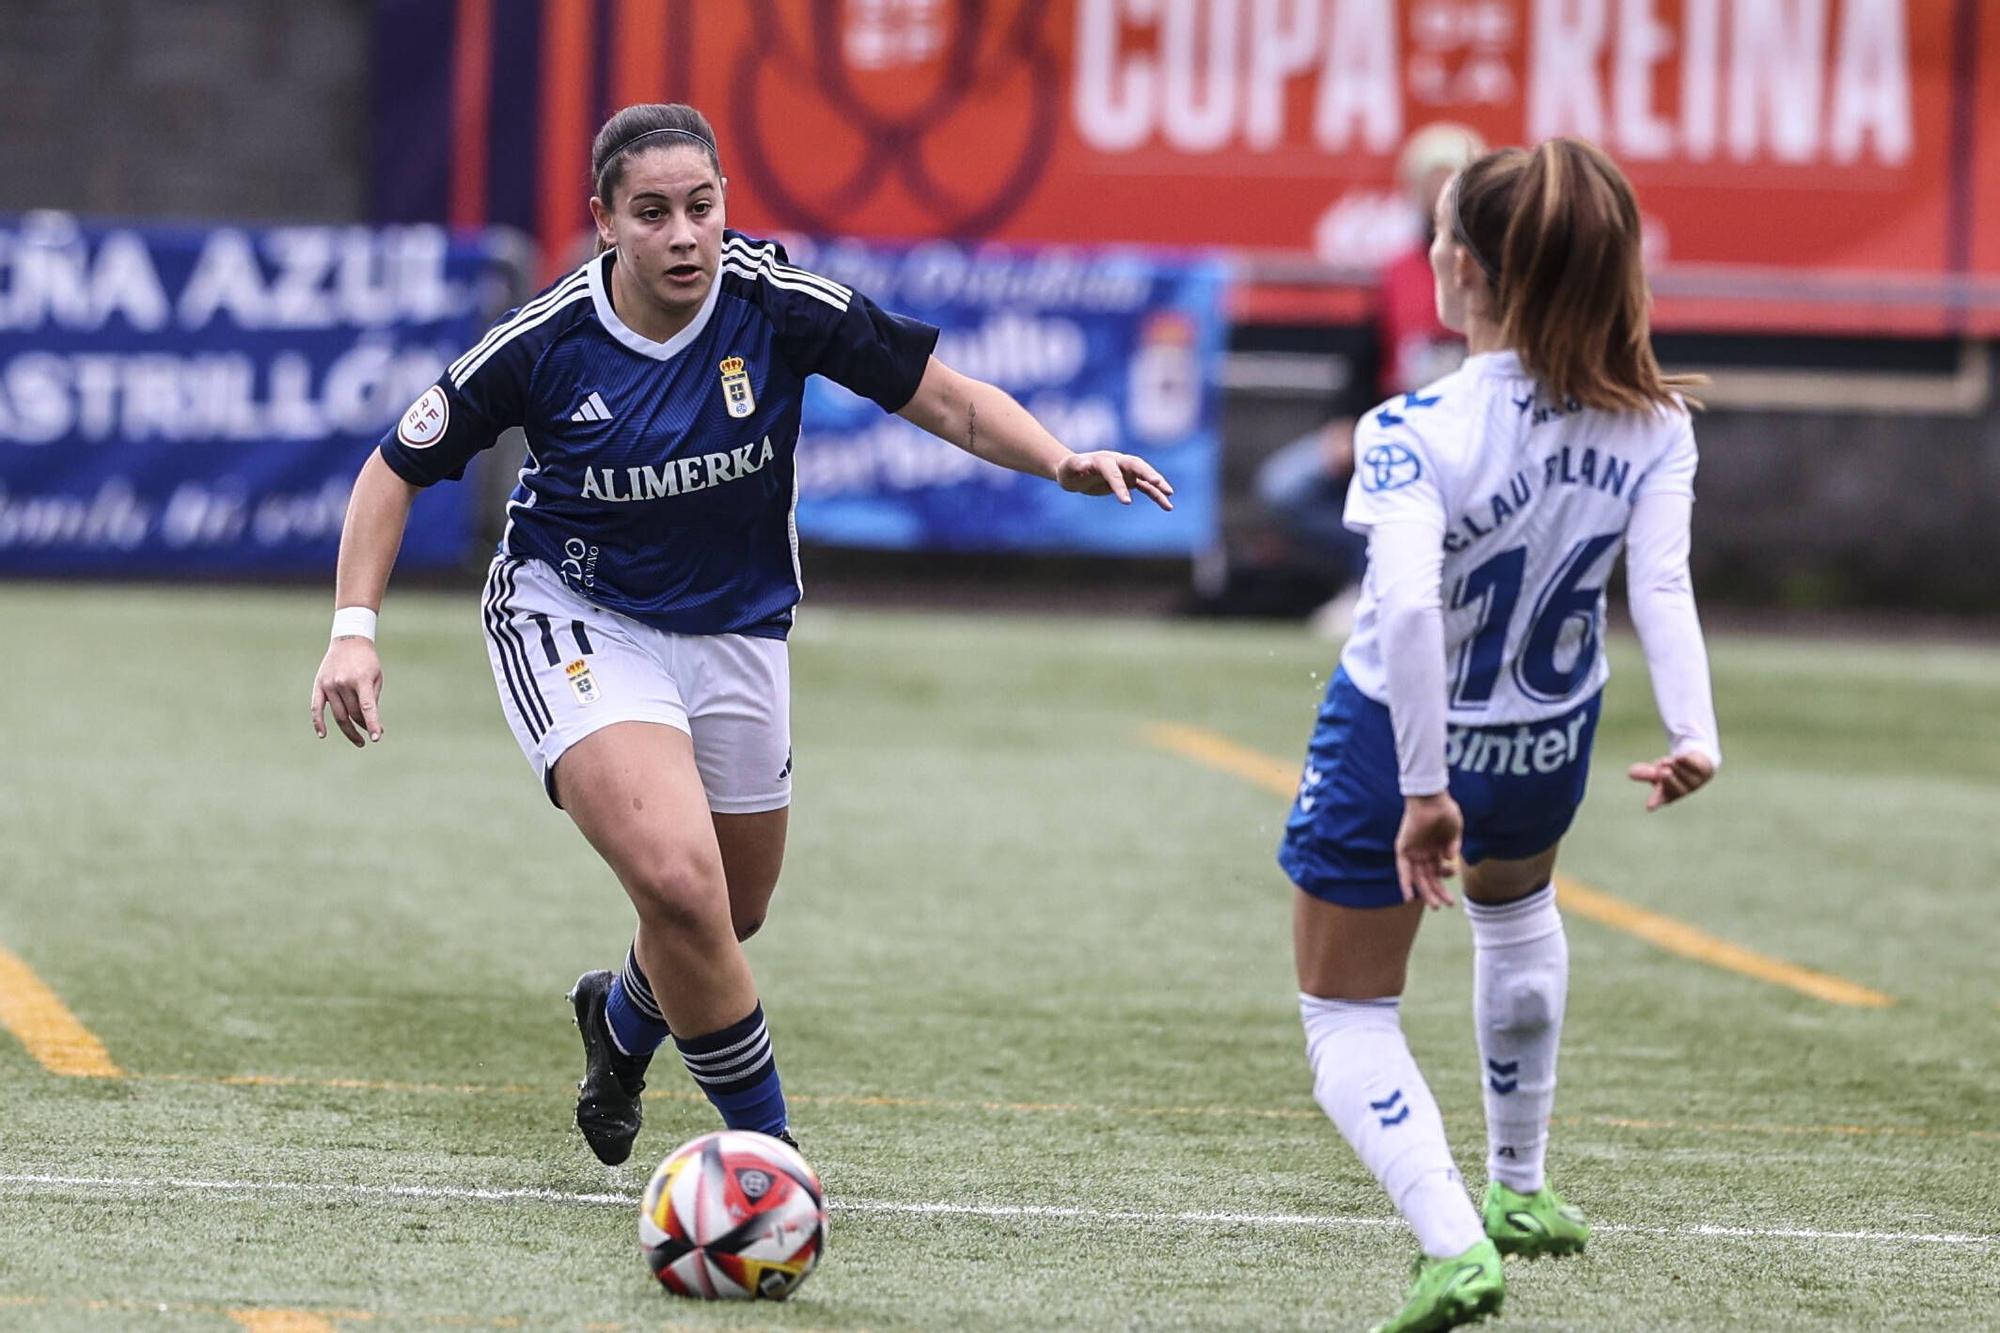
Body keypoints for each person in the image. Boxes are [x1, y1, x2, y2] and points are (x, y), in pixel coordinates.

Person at [307, 103, 1173, 1167]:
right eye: (653, 212)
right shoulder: (545, 342)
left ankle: (618, 1028)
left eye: (701, 207)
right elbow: (395, 466)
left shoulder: (777, 302)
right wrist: (355, 630)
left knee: (732, 910)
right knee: (680, 884)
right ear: (605, 223)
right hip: (573, 613)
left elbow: (945, 403)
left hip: (736, 627)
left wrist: (1060, 460)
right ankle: (772, 1159)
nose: (683, 234)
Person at [1277, 139, 1720, 1332]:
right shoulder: (1651, 418)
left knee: (1345, 1013)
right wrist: (1694, 730)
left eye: (1434, 232)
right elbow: (1661, 587)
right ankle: (1518, 1186)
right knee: (1516, 915)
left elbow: (1410, 605)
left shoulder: (1412, 426)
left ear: (1463, 269)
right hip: (1547, 731)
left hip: (1403, 740)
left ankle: (1453, 1245)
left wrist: (1423, 787)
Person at [1257, 124, 1484, 638]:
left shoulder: (1502, 270)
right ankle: (1377, 575)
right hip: (1395, 426)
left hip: (1472, 433)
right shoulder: (1397, 272)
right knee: (1286, 486)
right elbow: (1364, 362)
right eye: (1433, 182)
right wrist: (1344, 424)